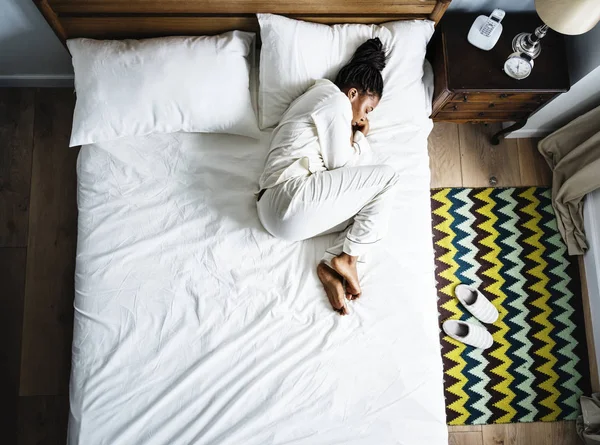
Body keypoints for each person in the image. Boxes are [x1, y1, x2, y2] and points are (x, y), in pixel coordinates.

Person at [256, 38, 400, 316]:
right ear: (353, 93)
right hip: (288, 196)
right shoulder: (333, 100)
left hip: (281, 217)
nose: (364, 117)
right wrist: (360, 137)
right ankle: (345, 257)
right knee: (388, 179)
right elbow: (342, 164)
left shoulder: (318, 99)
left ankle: (331, 264)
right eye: (368, 109)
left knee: (370, 212)